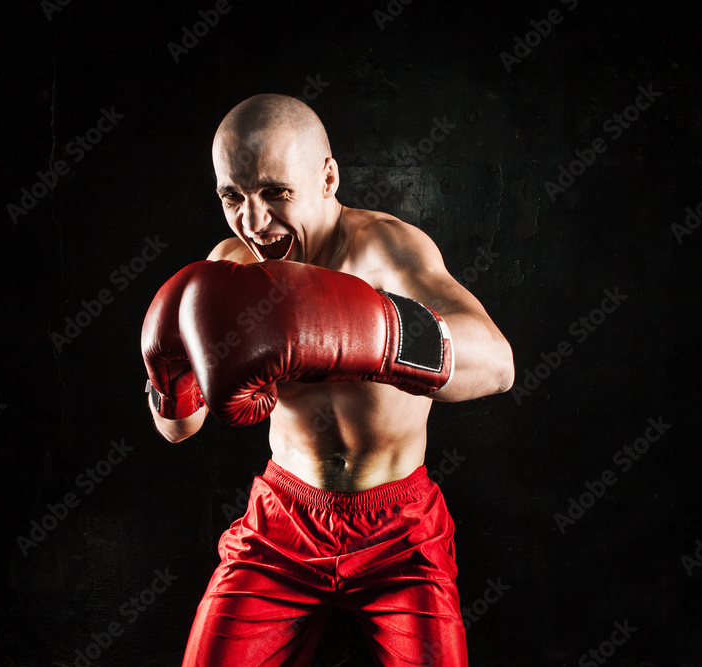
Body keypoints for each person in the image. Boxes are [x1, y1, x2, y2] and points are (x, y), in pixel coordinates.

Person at [141, 93, 514, 666]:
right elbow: (179, 430)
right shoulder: (229, 271)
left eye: (275, 193)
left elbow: (497, 365)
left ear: (328, 177)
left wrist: (373, 333)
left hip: (399, 530)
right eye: (232, 197)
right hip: (280, 524)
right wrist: (167, 372)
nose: (253, 223)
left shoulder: (388, 251)